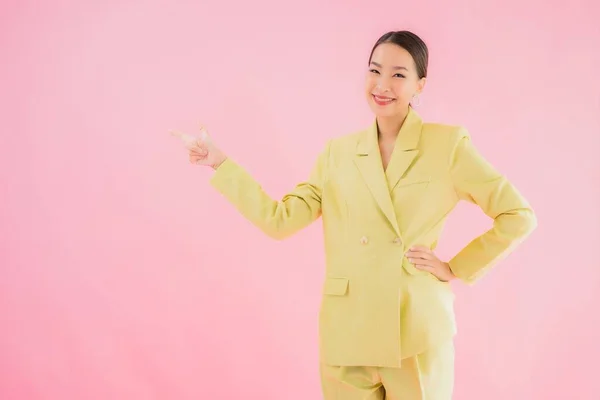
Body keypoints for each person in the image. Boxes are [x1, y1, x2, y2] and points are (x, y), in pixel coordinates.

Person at [171, 30, 537, 400]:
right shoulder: (337, 154)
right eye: (374, 71)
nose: (382, 85)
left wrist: (455, 268)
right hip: (348, 335)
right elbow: (279, 220)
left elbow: (517, 214)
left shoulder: (448, 145)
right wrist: (220, 163)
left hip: (413, 334)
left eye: (398, 75)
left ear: (420, 85)